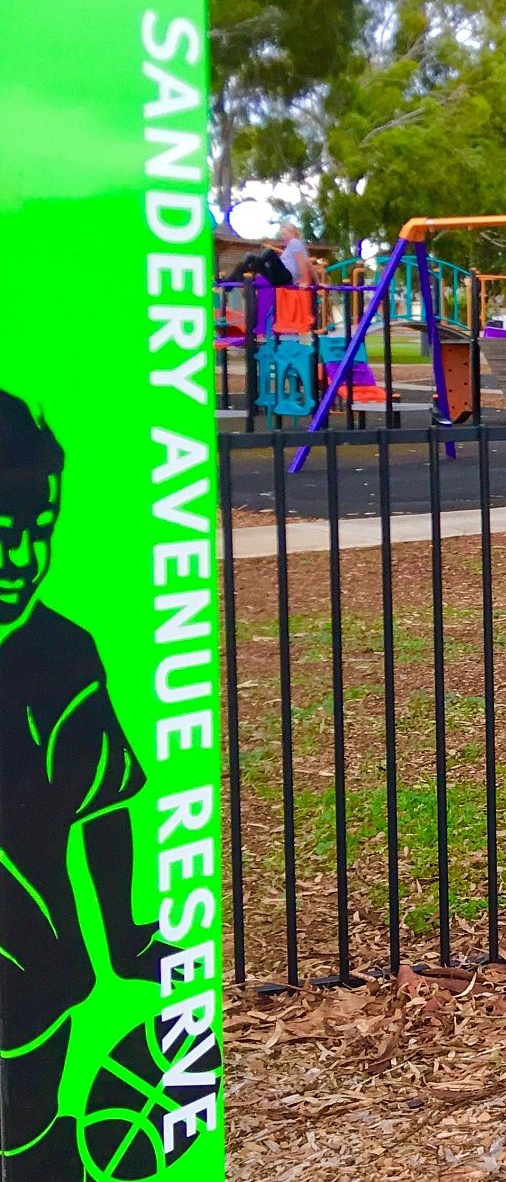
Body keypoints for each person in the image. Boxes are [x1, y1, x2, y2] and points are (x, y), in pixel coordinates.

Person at [0, 390, 161, 1180]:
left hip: (38, 963)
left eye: (39, 532)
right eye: (2, 534)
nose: (22, 559)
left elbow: (103, 804)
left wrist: (127, 937)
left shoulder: (64, 654)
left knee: (31, 1115)